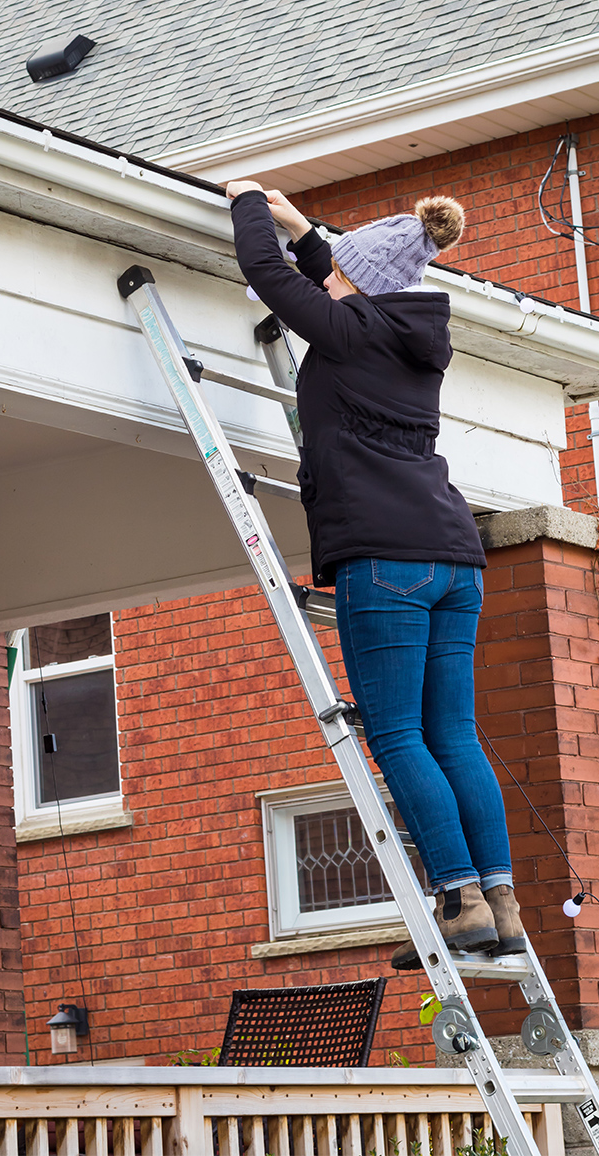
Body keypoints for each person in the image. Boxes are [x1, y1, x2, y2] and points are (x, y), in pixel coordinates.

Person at [226, 180, 525, 965]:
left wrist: (250, 201)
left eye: (338, 276)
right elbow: (339, 276)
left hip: (383, 559)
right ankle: (498, 902)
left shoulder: (349, 327)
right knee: (452, 734)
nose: (327, 283)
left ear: (357, 287)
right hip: (453, 558)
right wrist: (306, 228)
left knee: (397, 735)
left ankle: (455, 900)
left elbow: (269, 274)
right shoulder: (411, 335)